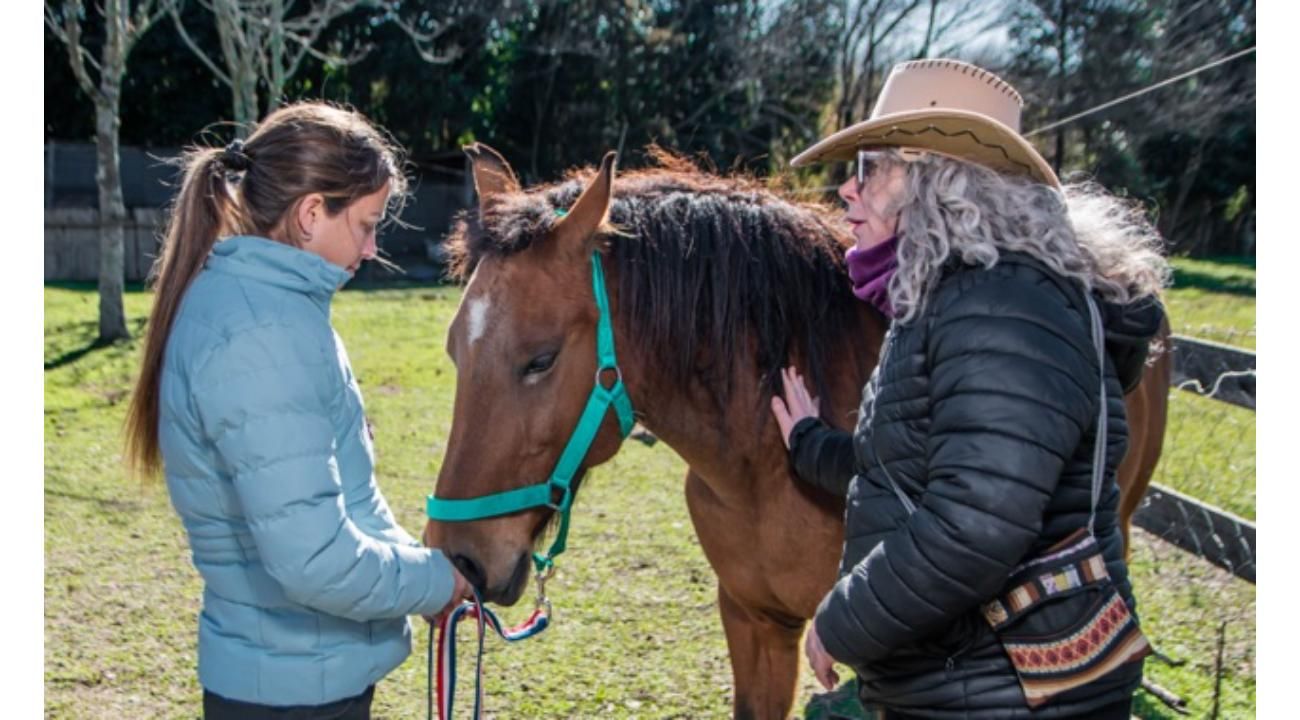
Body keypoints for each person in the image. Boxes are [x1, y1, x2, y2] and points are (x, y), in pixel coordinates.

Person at [770, 59, 1169, 718]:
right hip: (982, 682)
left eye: (872, 167)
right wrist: (811, 443)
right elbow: (917, 475)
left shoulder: (1000, 304)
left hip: (1012, 693)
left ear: (937, 179)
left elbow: (975, 526)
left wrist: (841, 621)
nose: (846, 189)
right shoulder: (963, 298)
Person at [124, 101, 469, 719]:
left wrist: (428, 576)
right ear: (311, 213)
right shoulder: (261, 335)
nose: (371, 248)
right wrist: (434, 582)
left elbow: (351, 502)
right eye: (365, 224)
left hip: (295, 678)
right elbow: (315, 560)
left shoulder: (274, 313)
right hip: (293, 696)